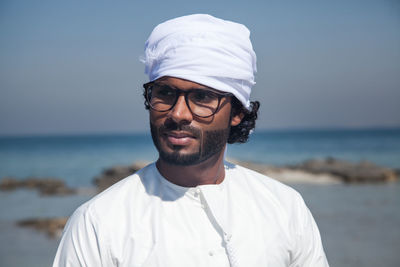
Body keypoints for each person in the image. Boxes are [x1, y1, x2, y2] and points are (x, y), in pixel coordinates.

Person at [53, 14, 329, 267]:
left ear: (237, 112)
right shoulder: (99, 222)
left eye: (202, 97)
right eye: (165, 93)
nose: (178, 113)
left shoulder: (284, 208)